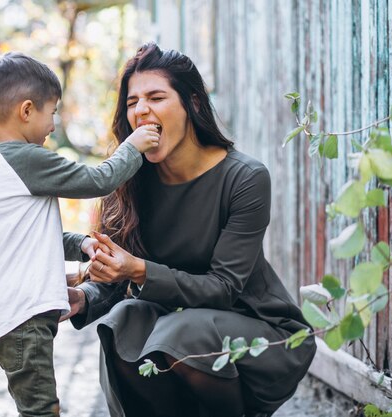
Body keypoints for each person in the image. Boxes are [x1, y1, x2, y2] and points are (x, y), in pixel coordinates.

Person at [65, 43, 316, 417]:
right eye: (132, 102)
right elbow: (118, 278)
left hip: (260, 335)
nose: (141, 110)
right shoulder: (128, 180)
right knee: (124, 322)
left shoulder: (244, 178)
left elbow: (224, 289)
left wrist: (139, 270)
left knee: (181, 330)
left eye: (156, 97)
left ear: (193, 103)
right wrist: (84, 297)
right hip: (173, 331)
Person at [0, 51, 160, 417]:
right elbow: (98, 180)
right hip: (22, 318)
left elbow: (33, 233)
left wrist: (82, 244)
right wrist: (134, 146)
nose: (54, 125)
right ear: (27, 111)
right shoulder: (26, 158)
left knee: (39, 407)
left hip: (9, 315)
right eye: (52, 112)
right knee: (43, 411)